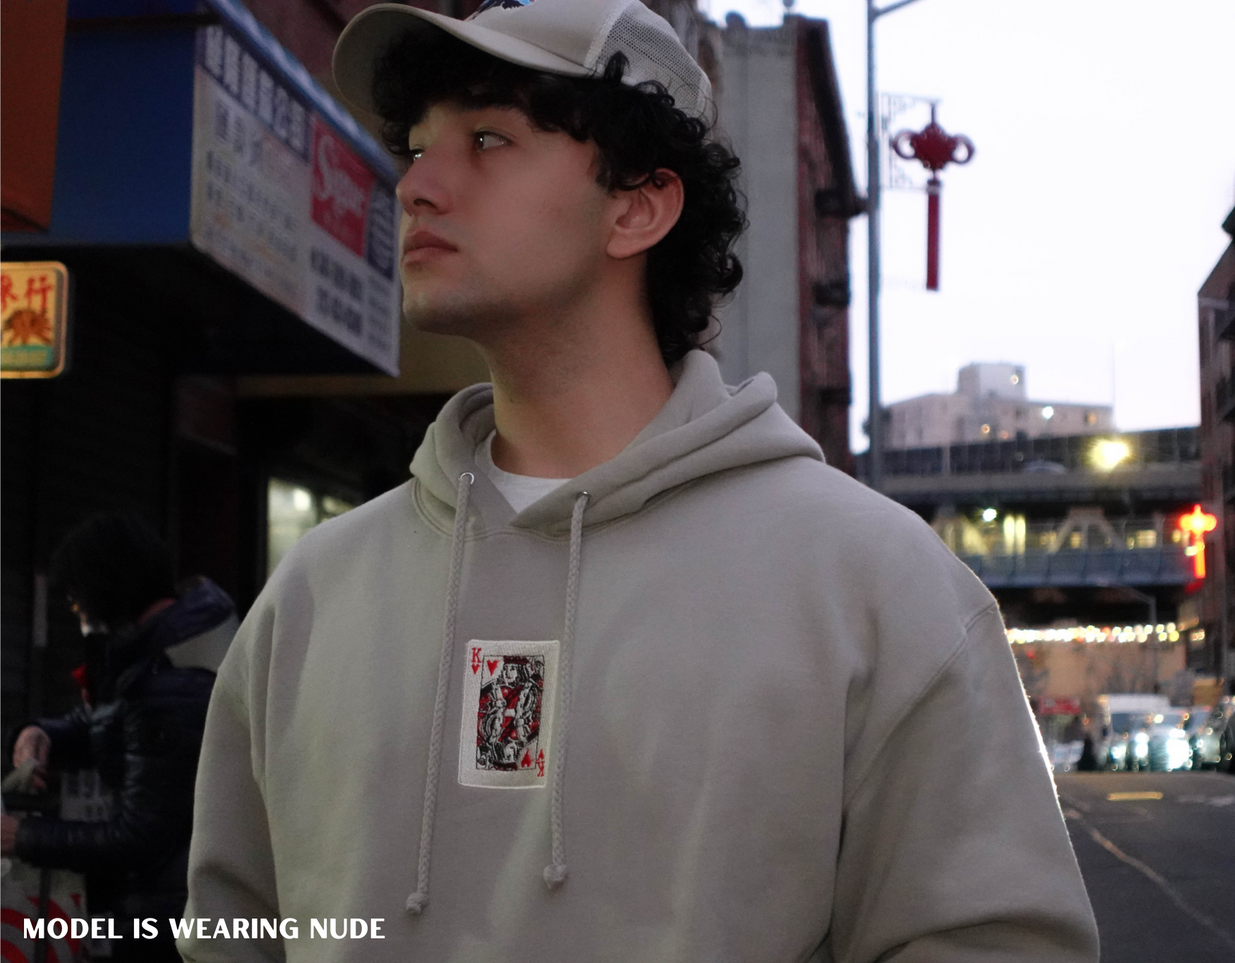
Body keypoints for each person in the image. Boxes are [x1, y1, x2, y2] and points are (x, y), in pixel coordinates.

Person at [181, 1, 1099, 960]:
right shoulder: (312, 595)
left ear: (638, 207)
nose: (417, 186)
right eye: (415, 148)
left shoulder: (871, 581)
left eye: (488, 138)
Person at [4, 512, 229, 962]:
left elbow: (141, 838)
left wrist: (21, 836)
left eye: (76, 602)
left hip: (169, 922)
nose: (79, 616)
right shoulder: (163, 652)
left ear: (103, 587)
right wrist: (43, 733)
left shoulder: (170, 681)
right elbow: (111, 725)